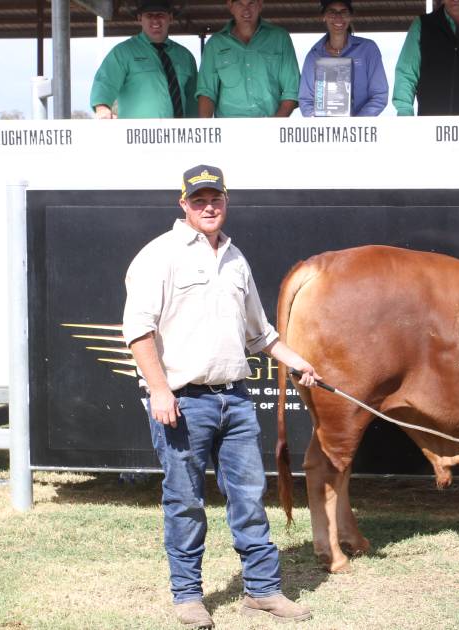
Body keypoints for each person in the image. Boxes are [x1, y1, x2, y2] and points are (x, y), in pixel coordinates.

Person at [123, 164, 318, 628]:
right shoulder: (160, 255)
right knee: (186, 501)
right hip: (182, 404)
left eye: (216, 198)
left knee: (249, 498)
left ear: (226, 202)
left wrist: (298, 360)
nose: (208, 206)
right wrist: (159, 391)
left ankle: (263, 592)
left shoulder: (235, 258)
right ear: (183, 204)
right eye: (199, 199)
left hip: (235, 400)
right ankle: (188, 597)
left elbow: (260, 334)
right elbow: (138, 331)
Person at [90, 0, 197, 119]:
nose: (155, 20)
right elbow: (105, 82)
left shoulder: (185, 56)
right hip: (138, 135)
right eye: (149, 15)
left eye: (160, 14)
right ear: (139, 18)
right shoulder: (123, 52)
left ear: (170, 17)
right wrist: (102, 107)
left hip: (179, 134)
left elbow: (194, 100)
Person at [196, 0, 301, 118]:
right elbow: (206, 92)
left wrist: (274, 126)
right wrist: (207, 131)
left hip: (270, 127)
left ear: (260, 4)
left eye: (251, 3)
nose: (246, 10)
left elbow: (292, 90)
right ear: (230, 6)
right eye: (240, 3)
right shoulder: (215, 44)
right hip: (228, 131)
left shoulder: (280, 38)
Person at [298, 0, 389, 117]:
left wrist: (356, 124)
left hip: (360, 130)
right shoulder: (314, 55)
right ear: (324, 16)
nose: (338, 17)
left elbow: (379, 94)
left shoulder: (368, 49)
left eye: (343, 12)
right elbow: (305, 100)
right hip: (324, 132)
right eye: (332, 12)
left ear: (350, 16)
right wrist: (317, 123)